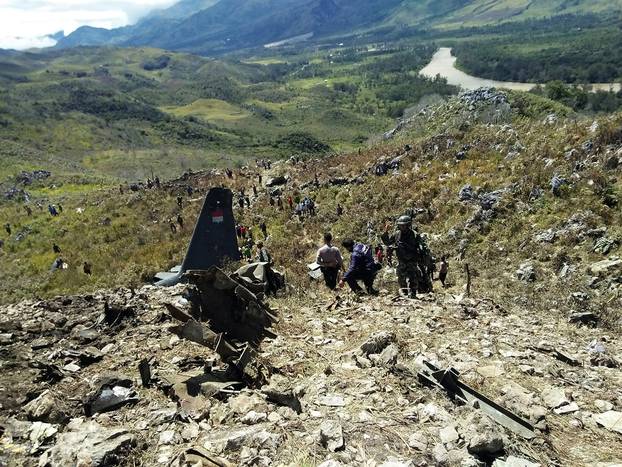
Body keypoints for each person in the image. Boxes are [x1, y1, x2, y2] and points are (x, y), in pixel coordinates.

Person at [381, 215, 423, 298]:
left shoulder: (414, 235)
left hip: (412, 260)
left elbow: (420, 247)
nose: (402, 227)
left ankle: (413, 294)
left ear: (408, 225)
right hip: (401, 260)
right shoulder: (397, 234)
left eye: (403, 225)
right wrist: (386, 232)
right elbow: (388, 242)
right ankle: (404, 293)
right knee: (401, 277)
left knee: (413, 277)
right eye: (400, 225)